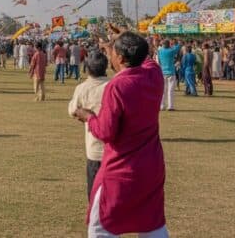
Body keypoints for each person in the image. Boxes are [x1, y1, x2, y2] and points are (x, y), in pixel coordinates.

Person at [73, 31, 168, 238]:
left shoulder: (118, 85)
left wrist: (88, 117)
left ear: (122, 58)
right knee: (151, 223)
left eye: (112, 52)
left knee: (101, 227)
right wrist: (118, 41)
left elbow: (106, 131)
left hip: (122, 169)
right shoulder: (154, 74)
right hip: (151, 167)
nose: (110, 57)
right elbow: (148, 58)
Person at [69, 51, 110, 199]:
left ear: (87, 68)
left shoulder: (82, 88)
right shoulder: (112, 85)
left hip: (94, 149)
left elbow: (73, 110)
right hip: (115, 151)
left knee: (95, 196)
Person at [157, 40, 180, 111]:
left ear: (162, 44)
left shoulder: (159, 51)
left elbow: (159, 61)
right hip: (171, 73)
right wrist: (174, 43)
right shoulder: (171, 51)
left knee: (163, 90)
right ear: (169, 44)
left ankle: (162, 106)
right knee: (170, 91)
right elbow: (178, 46)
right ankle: (170, 106)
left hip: (163, 72)